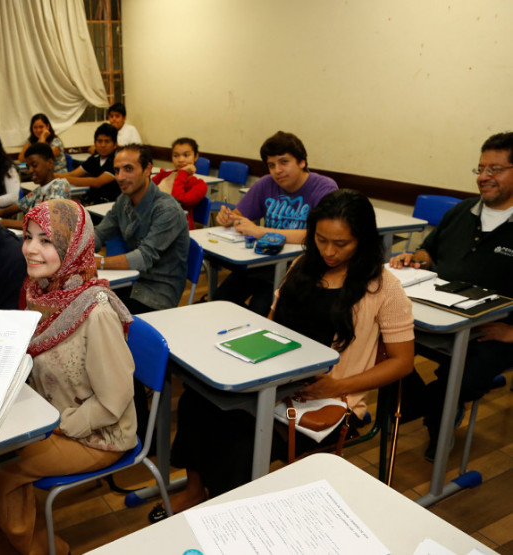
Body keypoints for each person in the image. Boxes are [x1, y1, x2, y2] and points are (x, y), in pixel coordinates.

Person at [161, 189, 414, 518]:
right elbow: (273, 325)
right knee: (198, 402)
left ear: (363, 240)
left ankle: (226, 515)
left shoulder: (384, 287)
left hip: (325, 397)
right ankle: (196, 491)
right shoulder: (303, 266)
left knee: (240, 441)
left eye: (341, 244)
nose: (329, 251)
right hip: (272, 378)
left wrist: (337, 387)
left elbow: (403, 362)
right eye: (321, 240)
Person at [0, 199, 136, 555]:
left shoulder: (96, 312)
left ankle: (46, 549)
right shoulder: (42, 291)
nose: (31, 249)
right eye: (27, 236)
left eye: (46, 241)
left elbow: (115, 398)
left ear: (73, 246)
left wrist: (60, 425)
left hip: (96, 432)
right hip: (48, 415)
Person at [390, 131, 513, 461]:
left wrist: (511, 333)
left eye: (495, 170)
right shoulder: (462, 212)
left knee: (460, 378)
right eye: (480, 169)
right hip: (438, 318)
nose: (484, 178)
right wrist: (416, 258)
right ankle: (429, 404)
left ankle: (434, 413)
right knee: (383, 340)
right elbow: (431, 250)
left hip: (493, 335)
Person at [215, 131, 338, 315]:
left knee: (260, 309)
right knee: (219, 301)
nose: (277, 170)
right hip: (262, 261)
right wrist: (228, 218)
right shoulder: (266, 184)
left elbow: (317, 236)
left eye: (284, 162)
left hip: (298, 268)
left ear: (302, 162)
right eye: (271, 165)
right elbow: (238, 215)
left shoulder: (324, 188)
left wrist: (260, 231)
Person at [94, 144, 189, 314]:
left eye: (128, 169)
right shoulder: (124, 200)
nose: (120, 177)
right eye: (116, 170)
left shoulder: (167, 210)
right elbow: (100, 233)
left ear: (147, 169)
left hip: (157, 293)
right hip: (131, 281)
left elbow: (143, 258)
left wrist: (97, 263)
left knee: (98, 317)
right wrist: (71, 252)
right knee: (82, 304)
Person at [0, 142, 71, 228]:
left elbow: (47, 224)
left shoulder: (60, 187)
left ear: (50, 163)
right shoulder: (37, 192)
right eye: (28, 167)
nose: (30, 170)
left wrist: (3, 222)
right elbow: (7, 211)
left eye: (34, 165)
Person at [150, 137, 209, 229]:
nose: (181, 160)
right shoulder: (164, 175)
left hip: (179, 227)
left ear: (196, 156)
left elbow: (178, 201)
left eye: (186, 155)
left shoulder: (200, 185)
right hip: (153, 220)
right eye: (176, 155)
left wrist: (183, 173)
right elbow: (145, 191)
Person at [57, 123, 120, 206]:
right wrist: (52, 176)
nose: (103, 145)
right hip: (92, 201)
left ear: (115, 145)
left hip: (109, 204)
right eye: (100, 141)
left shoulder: (117, 160)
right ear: (95, 143)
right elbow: (73, 174)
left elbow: (97, 182)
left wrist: (63, 178)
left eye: (107, 141)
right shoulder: (95, 158)